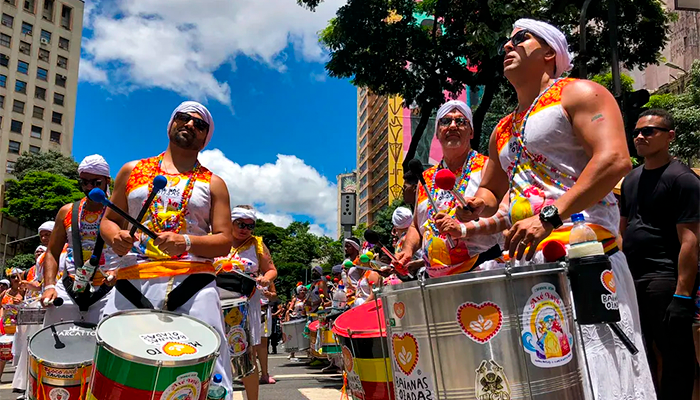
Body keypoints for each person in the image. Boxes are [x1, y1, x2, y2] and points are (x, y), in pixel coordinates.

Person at [458, 19, 655, 399]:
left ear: (550, 52)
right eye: (505, 42)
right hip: (528, 263)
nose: (507, 46)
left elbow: (615, 160)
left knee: (599, 365)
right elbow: (489, 192)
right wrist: (470, 208)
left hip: (585, 257)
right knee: (542, 376)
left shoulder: (580, 93)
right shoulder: (503, 127)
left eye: (520, 39)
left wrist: (550, 216)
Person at [97, 101, 235, 400]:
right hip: (133, 281)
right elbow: (108, 221)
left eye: (199, 124)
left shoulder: (214, 183)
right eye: (183, 118)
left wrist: (186, 242)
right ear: (172, 123)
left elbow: (225, 240)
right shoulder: (132, 170)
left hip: (193, 283)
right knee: (120, 363)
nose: (189, 125)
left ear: (205, 137)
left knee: (205, 369)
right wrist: (115, 236)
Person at [620, 109, 700, 399]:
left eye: (649, 131)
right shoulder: (631, 180)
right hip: (632, 280)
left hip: (665, 280)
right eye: (637, 132)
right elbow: (623, 229)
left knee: (676, 357)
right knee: (639, 354)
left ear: (669, 137)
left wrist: (682, 294)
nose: (640, 137)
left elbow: (690, 241)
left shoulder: (683, 179)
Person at [394, 100, 503, 277]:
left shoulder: (486, 166)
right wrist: (407, 250)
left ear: (471, 132)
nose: (452, 126)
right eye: (445, 121)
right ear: (437, 132)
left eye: (460, 121)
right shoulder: (426, 178)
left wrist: (471, 218)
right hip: (436, 277)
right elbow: (416, 225)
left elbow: (499, 209)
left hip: (482, 273)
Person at [41, 155, 115, 326]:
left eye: (96, 182)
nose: (89, 187)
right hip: (69, 288)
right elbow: (52, 251)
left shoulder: (118, 211)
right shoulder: (67, 211)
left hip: (107, 289)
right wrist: (49, 287)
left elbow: (132, 250)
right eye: (84, 182)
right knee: (55, 344)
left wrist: (119, 272)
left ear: (107, 181)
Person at [214, 205, 278, 396]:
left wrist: (267, 278)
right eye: (241, 224)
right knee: (215, 351)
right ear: (230, 222)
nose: (246, 229)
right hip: (214, 298)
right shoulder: (216, 238)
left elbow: (271, 269)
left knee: (245, 352)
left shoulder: (256, 244)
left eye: (251, 226)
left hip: (245, 300)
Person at [13, 221, 53, 399]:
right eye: (42, 235)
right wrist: (30, 285)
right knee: (34, 344)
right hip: (42, 305)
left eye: (48, 234)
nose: (44, 238)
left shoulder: (68, 250)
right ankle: (31, 387)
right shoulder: (41, 258)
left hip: (65, 302)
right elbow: (39, 284)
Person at [1, 269, 24, 376]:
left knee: (19, 352)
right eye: (12, 277)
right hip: (6, 325)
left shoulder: (25, 291)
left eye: (17, 276)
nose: (15, 279)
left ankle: (19, 380)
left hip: (20, 325)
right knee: (3, 353)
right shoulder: (5, 292)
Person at [285, 285, 307, 361]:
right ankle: (292, 353)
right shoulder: (295, 299)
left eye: (304, 290)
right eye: (300, 290)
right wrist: (290, 310)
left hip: (304, 318)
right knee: (293, 336)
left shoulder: (307, 299)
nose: (302, 292)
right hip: (295, 318)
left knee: (305, 335)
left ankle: (308, 352)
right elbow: (290, 307)